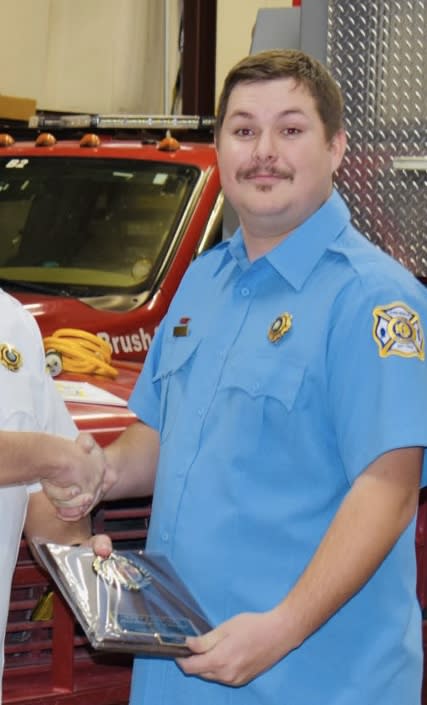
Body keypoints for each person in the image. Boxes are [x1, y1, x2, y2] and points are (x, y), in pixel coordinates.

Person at [55, 49, 427, 704]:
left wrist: (281, 629)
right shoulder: (205, 280)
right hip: (179, 672)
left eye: (290, 129)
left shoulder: (374, 300)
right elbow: (160, 432)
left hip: (308, 677)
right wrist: (102, 471)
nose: (264, 152)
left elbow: (387, 490)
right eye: (243, 129)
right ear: (221, 144)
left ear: (336, 147)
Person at [0, 286, 107, 694]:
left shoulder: (12, 323)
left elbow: (46, 504)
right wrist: (50, 457)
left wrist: (88, 561)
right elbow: (51, 456)